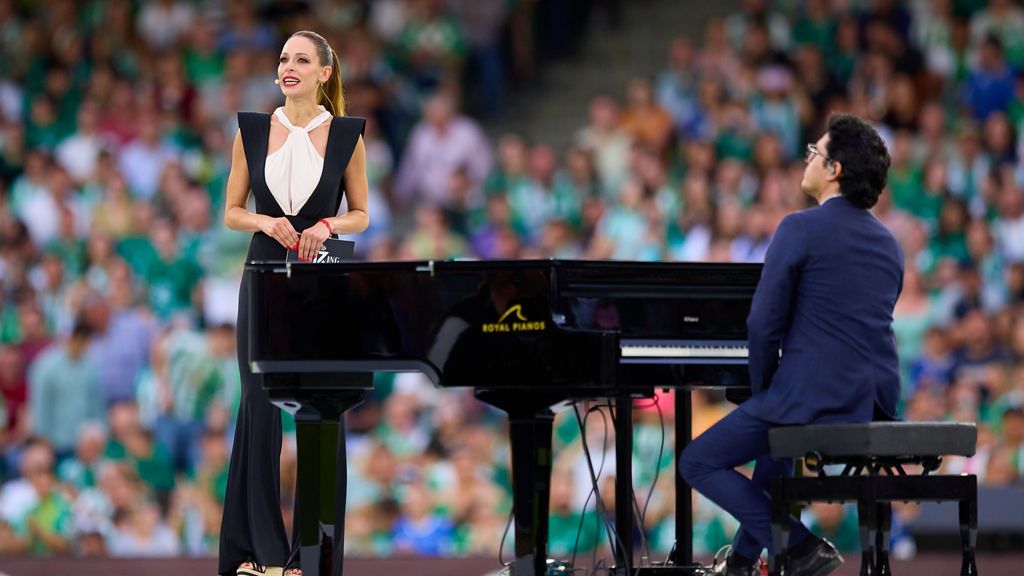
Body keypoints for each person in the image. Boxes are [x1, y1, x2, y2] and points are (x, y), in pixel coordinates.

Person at [679, 114, 902, 576]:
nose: (808, 160)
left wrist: (763, 390)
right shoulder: (889, 244)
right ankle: (740, 565)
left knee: (697, 461)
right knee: (773, 451)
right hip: (871, 402)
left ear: (834, 169)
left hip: (810, 398)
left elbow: (762, 325)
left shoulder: (799, 228)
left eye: (814, 153)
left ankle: (799, 546)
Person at [219, 30, 369, 576]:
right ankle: (258, 554)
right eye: (284, 58)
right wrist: (266, 221)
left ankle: (316, 555)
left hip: (321, 276)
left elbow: (362, 213)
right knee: (259, 407)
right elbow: (232, 210)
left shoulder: (348, 135)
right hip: (263, 269)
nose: (289, 66)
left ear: (324, 73)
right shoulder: (252, 130)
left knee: (323, 408)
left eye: (301, 60)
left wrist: (327, 224)